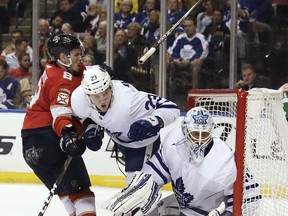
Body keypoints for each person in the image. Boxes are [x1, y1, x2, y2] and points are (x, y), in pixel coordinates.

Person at [105, 107, 237, 215]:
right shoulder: (174, 141)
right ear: (185, 131)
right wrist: (143, 185)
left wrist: (228, 214)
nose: (200, 140)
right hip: (182, 205)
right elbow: (157, 170)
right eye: (196, 134)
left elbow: (247, 197)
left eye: (205, 134)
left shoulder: (224, 161)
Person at [21, 34, 97, 216]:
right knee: (83, 196)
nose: (81, 58)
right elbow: (60, 113)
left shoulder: (53, 68)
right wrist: (68, 134)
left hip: (31, 148)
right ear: (64, 57)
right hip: (50, 140)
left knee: (67, 194)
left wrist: (97, 71)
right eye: (77, 54)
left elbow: (79, 72)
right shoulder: (62, 82)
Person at [71, 65, 180, 185]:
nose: (102, 99)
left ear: (111, 87)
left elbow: (171, 107)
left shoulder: (129, 100)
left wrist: (152, 121)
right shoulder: (78, 100)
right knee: (135, 189)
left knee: (136, 187)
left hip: (143, 141)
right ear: (87, 95)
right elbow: (87, 117)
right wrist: (91, 128)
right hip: (121, 140)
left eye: (105, 93)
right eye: (96, 96)